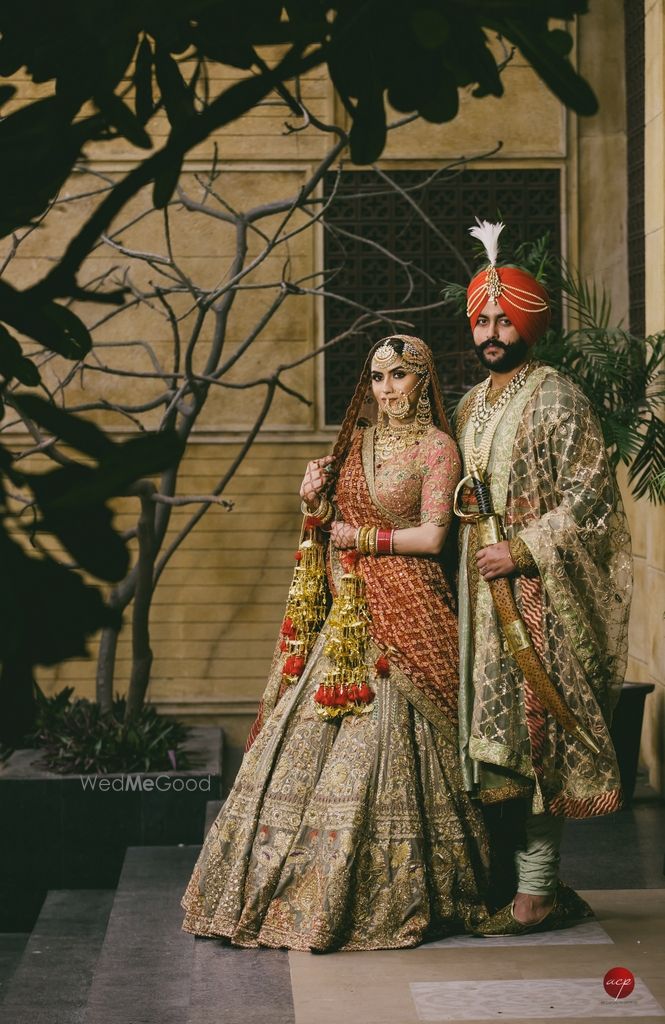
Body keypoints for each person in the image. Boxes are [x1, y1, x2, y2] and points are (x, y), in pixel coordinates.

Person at [181, 335, 489, 951]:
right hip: (347, 616)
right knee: (299, 744)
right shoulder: (356, 442)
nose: (386, 390)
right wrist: (312, 502)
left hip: (409, 611)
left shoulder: (438, 449)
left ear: (423, 380)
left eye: (399, 376)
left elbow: (433, 538)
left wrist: (360, 537)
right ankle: (284, 890)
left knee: (385, 745)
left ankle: (394, 893)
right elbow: (324, 527)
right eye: (377, 378)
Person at [454, 220, 632, 935]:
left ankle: (536, 891)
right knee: (486, 747)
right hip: (476, 604)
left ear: (529, 323)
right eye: (482, 320)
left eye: (503, 318)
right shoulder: (468, 405)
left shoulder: (555, 396)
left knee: (533, 743)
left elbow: (591, 499)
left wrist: (523, 549)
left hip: (534, 604)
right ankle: (507, 880)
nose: (491, 330)